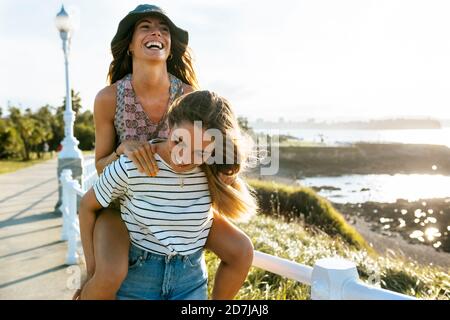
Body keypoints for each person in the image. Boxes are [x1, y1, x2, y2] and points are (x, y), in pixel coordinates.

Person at [75, 4, 255, 299]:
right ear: (130, 45)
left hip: (177, 200)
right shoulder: (109, 98)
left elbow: (212, 142)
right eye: (145, 26)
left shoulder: (187, 94)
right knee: (107, 275)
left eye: (164, 28)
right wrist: (122, 150)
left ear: (170, 48)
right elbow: (99, 166)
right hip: (123, 204)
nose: (156, 31)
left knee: (240, 249)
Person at [79, 90, 257, 299]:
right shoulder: (133, 165)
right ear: (170, 125)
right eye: (179, 141)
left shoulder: (211, 171)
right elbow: (87, 206)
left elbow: (237, 245)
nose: (183, 157)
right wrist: (91, 272)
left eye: (199, 152)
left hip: (190, 283)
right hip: (138, 281)